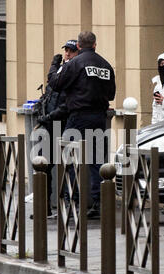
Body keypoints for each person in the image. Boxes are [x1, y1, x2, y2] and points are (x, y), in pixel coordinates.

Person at [48, 31, 116, 219]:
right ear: (95, 44)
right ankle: (99, 203)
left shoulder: (74, 63)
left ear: (78, 46)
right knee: (97, 161)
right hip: (99, 118)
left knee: (71, 159)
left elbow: (56, 83)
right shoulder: (106, 65)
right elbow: (111, 95)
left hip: (78, 117)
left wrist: (54, 66)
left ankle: (74, 201)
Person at [32, 39, 79, 219]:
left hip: (64, 123)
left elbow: (67, 103)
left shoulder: (74, 71)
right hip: (49, 124)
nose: (67, 53)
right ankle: (44, 207)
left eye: (71, 51)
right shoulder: (61, 69)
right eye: (66, 50)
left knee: (69, 166)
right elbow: (51, 86)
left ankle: (69, 206)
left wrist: (50, 116)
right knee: (42, 164)